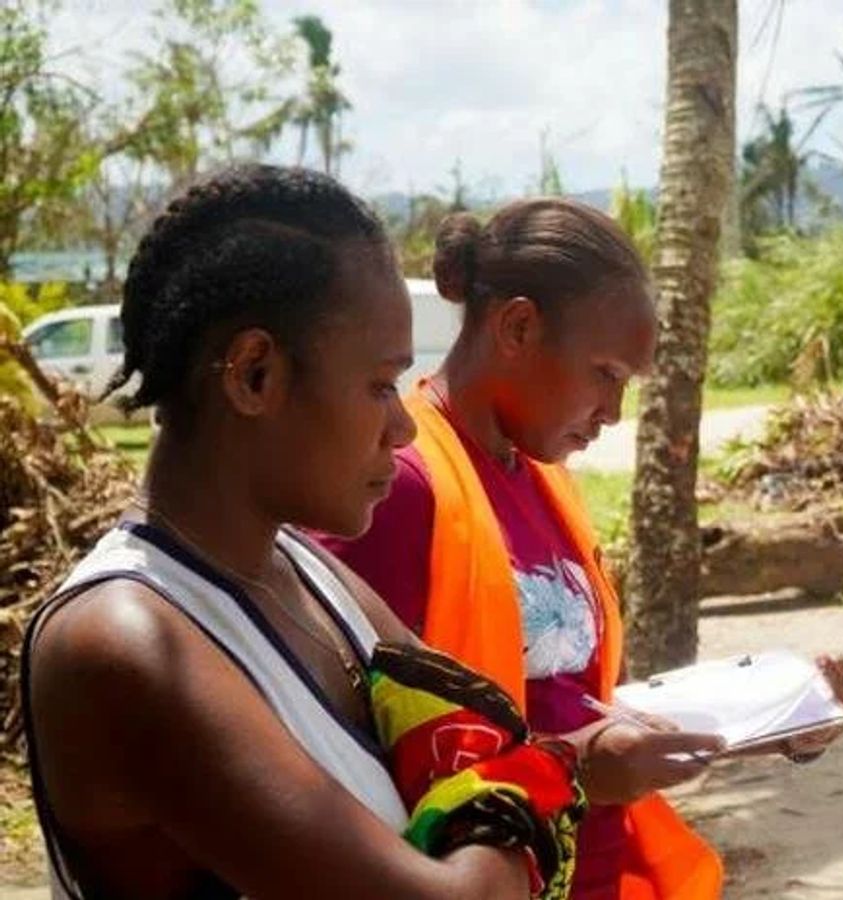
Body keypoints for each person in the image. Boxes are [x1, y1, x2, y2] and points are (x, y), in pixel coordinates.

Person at [22, 165, 592, 899]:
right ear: (254, 375)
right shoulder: (128, 642)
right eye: (381, 385)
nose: (403, 425)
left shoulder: (302, 571)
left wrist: (514, 785)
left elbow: (495, 743)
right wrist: (514, 802)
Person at [318, 197, 843, 900]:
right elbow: (352, 759)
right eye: (605, 373)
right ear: (517, 327)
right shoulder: (400, 485)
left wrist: (777, 719)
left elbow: (575, 703)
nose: (615, 411)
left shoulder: (543, 477)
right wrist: (570, 770)